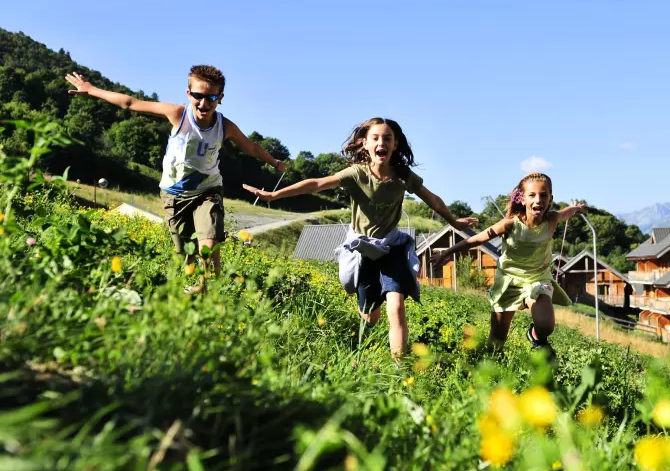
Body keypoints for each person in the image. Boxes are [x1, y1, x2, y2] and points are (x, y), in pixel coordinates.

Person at [243, 117, 476, 359]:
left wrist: (454, 221)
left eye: (387, 138)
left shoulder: (403, 176)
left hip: (391, 247)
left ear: (395, 144)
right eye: (375, 138)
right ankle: (363, 343)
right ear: (365, 143)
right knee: (369, 315)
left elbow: (433, 199)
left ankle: (400, 367)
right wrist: (275, 195)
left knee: (396, 307)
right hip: (364, 250)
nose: (381, 143)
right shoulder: (356, 173)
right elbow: (317, 183)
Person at [65, 66, 286, 279]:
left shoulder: (225, 126)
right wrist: (91, 89)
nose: (204, 103)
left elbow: (251, 147)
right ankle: (194, 284)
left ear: (220, 98)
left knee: (209, 240)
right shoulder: (178, 114)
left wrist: (274, 162)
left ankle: (210, 289)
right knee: (186, 254)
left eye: (211, 97)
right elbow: (130, 103)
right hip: (173, 194)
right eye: (198, 96)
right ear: (189, 94)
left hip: (207, 189)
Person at [431, 172, 585, 358]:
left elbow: (566, 212)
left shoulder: (552, 219)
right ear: (522, 198)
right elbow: (477, 239)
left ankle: (535, 337)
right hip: (509, 281)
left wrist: (576, 208)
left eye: (543, 195)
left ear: (550, 198)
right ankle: (490, 366)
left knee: (546, 326)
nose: (538, 200)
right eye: (532, 195)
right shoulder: (510, 224)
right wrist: (446, 253)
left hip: (538, 279)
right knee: (497, 339)